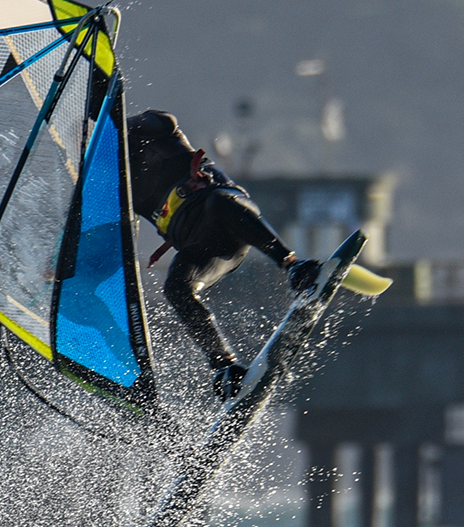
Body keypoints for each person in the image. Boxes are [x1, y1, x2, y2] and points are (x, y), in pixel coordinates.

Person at [127, 109, 321, 398]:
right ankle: (224, 366)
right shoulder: (117, 185)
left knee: (216, 203)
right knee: (175, 288)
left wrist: (114, 123)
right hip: (204, 248)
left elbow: (158, 120)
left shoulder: (155, 131)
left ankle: (292, 265)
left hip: (229, 216)